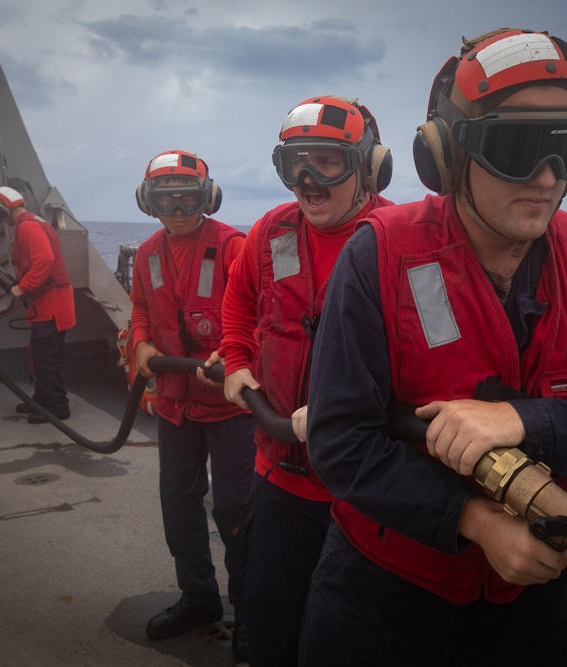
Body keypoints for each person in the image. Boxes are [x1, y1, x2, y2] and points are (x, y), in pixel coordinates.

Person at [300, 29, 567, 666]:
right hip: (382, 596)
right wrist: (473, 520)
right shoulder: (377, 258)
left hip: (536, 601)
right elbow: (340, 441)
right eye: (516, 147)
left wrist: (522, 419)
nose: (546, 178)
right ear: (447, 155)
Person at [217, 95, 394, 666]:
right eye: (294, 163)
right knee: (270, 622)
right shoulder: (271, 232)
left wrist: (348, 414)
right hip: (278, 479)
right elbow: (239, 303)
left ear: (369, 165)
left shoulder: (401, 243)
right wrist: (236, 359)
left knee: (350, 639)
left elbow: (435, 358)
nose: (307, 180)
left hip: (362, 496)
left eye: (327, 162)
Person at [127, 150, 257, 660]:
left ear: (208, 197)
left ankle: (250, 612)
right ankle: (199, 598)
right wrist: (139, 342)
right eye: (166, 198)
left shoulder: (234, 246)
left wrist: (233, 353)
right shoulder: (147, 253)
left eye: (188, 197)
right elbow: (139, 307)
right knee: (178, 505)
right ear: (148, 201)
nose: (178, 208)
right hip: (177, 405)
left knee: (234, 511)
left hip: (231, 408)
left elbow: (258, 312)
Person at [0, 185, 75, 425]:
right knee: (39, 352)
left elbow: (44, 259)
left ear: (1, 210)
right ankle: (42, 399)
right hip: (49, 301)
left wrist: (22, 287)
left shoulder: (27, 226)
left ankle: (58, 407)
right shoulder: (31, 223)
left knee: (45, 355)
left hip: (52, 302)